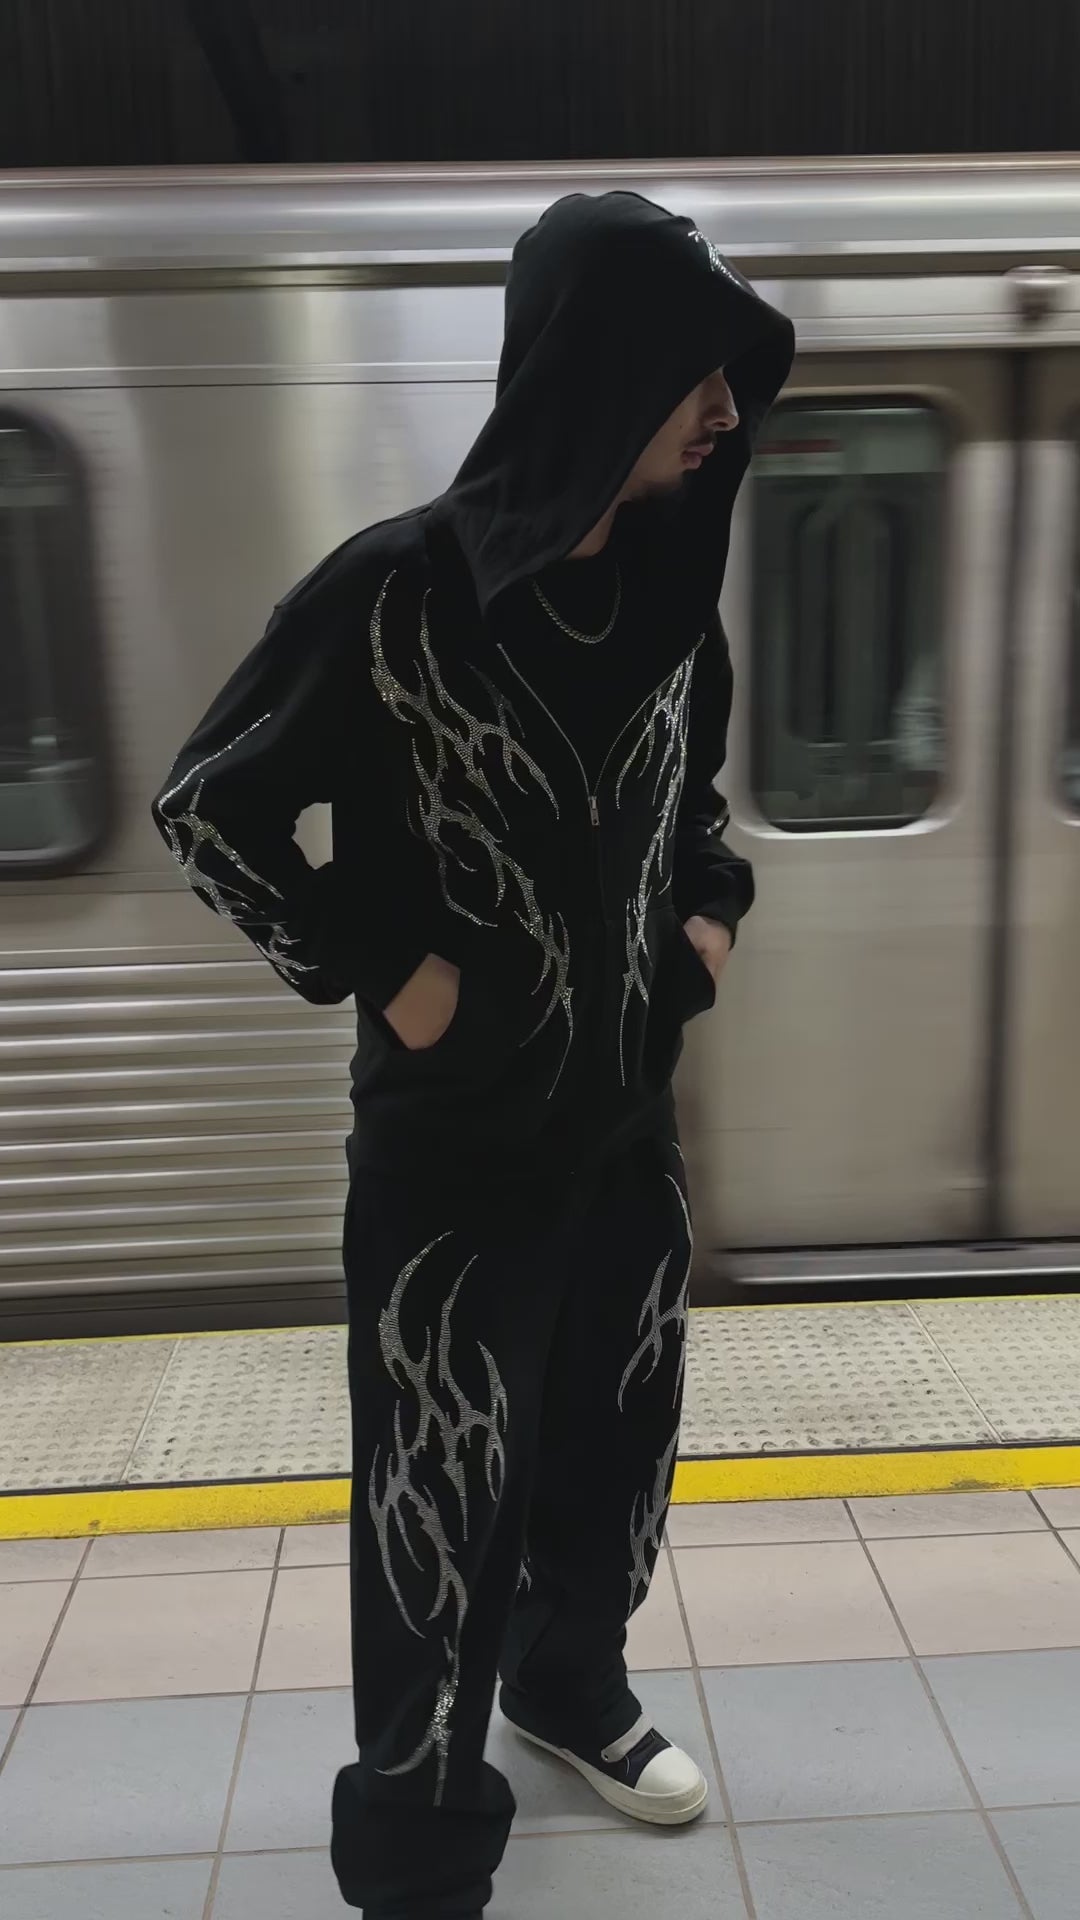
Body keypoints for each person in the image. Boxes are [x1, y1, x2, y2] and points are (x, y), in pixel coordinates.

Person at [152, 190, 793, 1919]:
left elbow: (697, 810)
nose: (723, 410)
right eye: (694, 374)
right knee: (441, 1498)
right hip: (452, 1162)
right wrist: (391, 971)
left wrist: (707, 921)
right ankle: (420, 1847)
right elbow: (209, 808)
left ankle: (567, 1688)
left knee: (618, 1448)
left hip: (625, 1132)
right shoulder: (395, 599)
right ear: (600, 373)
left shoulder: (671, 598)